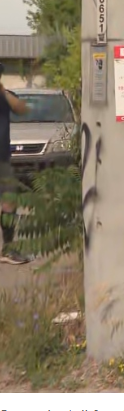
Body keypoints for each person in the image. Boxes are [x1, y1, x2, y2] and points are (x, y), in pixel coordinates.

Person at [0, 63, 33, 265]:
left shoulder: (5, 97)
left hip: (2, 158)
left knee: (10, 200)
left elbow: (22, 109)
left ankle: (8, 249)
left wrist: (3, 92)